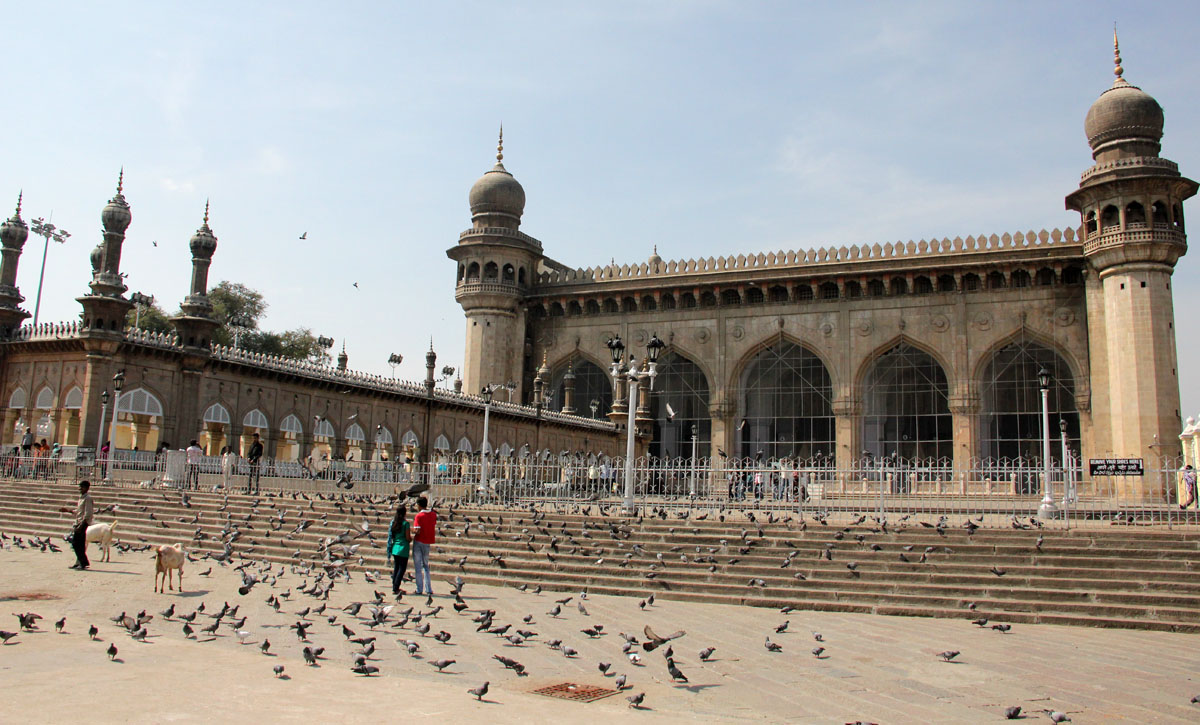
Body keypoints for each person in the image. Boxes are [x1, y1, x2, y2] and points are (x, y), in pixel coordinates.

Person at [59, 480, 94, 570]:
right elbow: (79, 511)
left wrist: (81, 525)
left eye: (81, 487)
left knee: (75, 543)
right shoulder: (81, 498)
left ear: (86, 488)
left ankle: (83, 562)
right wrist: (67, 510)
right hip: (79, 522)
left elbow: (88, 514)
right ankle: (80, 562)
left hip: (83, 524)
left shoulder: (88, 498)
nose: (80, 489)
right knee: (80, 544)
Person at [411, 496, 437, 601]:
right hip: (428, 542)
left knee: (418, 566)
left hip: (419, 541)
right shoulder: (433, 515)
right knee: (426, 565)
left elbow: (417, 530)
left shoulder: (419, 516)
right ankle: (428, 588)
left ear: (419, 505)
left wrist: (411, 530)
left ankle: (419, 588)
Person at [386, 504, 412, 597]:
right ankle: (396, 587)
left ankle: (394, 586)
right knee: (402, 568)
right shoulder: (406, 524)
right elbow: (408, 537)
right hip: (403, 548)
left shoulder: (394, 523)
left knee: (396, 567)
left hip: (395, 548)